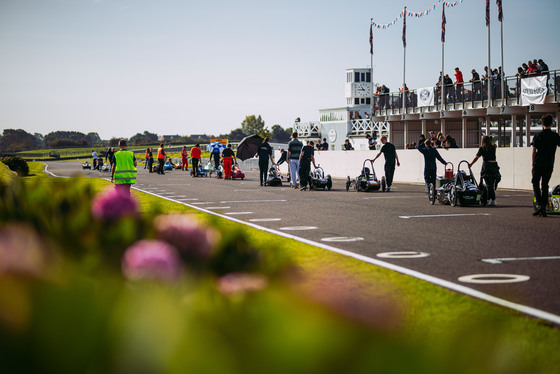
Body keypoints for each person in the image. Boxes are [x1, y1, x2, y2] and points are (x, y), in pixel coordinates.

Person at [531, 114, 560, 217]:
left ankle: (539, 205)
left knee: (535, 182)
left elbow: (534, 151)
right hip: (549, 163)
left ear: (542, 123)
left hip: (538, 162)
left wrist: (533, 164)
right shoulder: (555, 136)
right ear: (552, 123)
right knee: (545, 185)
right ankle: (543, 206)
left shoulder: (537, 136)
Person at [469, 136, 501, 206]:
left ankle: (492, 200)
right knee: (491, 184)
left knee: (489, 184)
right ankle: (491, 199)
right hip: (494, 166)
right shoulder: (493, 147)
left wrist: (471, 164)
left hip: (487, 166)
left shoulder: (482, 148)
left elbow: (477, 157)